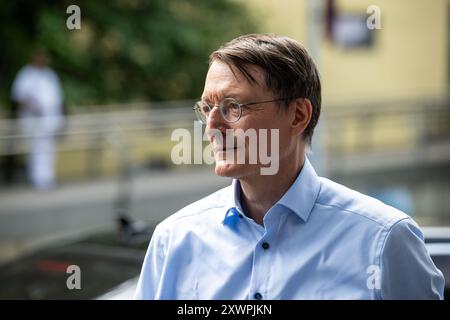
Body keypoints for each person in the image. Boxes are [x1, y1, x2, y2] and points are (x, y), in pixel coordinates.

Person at [135, 34, 444, 299]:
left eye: (233, 107)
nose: (211, 126)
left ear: (297, 115)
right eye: (207, 108)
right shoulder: (174, 240)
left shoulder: (384, 239)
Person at [11, 48, 65, 190]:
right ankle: (38, 179)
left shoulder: (50, 74)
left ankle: (48, 178)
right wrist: (33, 107)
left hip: (50, 119)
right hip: (34, 119)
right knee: (37, 149)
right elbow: (19, 98)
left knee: (49, 149)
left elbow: (56, 99)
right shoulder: (26, 74)